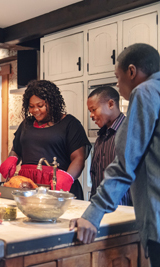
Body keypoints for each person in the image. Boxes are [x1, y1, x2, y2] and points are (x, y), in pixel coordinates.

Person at [69, 43, 160, 266]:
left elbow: (125, 163)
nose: (118, 86)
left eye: (118, 78)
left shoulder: (146, 91)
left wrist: (93, 214)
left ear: (132, 72)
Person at [0, 80, 91, 200]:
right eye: (31, 106)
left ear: (52, 103)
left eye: (40, 106)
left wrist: (68, 177)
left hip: (57, 186)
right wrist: (12, 158)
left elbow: (78, 157)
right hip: (27, 187)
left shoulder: (70, 124)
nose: (35, 111)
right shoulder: (26, 123)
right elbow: (16, 149)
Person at [87, 86, 132, 206]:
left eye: (93, 109)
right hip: (100, 211)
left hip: (126, 212)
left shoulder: (131, 132)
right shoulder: (100, 138)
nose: (91, 115)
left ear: (111, 104)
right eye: (89, 111)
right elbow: (95, 179)